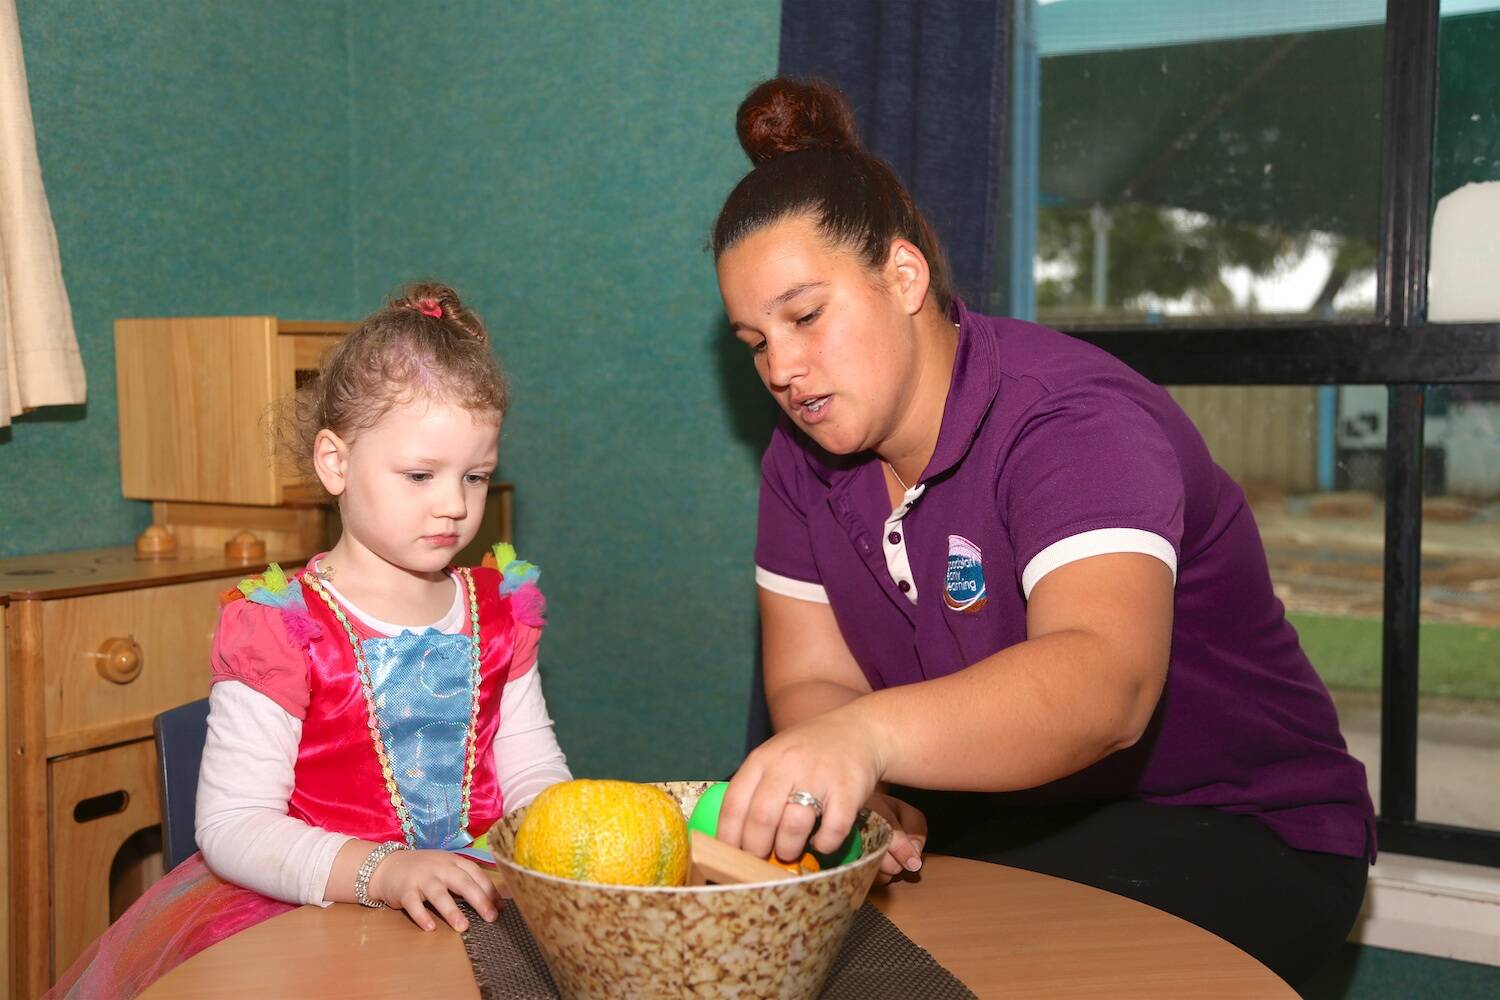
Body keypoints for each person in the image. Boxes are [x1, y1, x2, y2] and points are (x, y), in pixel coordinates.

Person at [710, 78, 1373, 988]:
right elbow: (812, 675)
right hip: (1013, 817)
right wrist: (872, 787)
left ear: (904, 277)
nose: (782, 367)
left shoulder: (1071, 421)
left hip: (1240, 822)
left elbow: (1105, 681)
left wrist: (867, 740)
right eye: (754, 341)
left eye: (806, 315)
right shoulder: (802, 459)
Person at [49, 283, 571, 999]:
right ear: (335, 463)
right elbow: (233, 826)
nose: (454, 504)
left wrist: (568, 840)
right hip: (314, 901)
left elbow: (532, 774)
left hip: (469, 900)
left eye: (475, 476)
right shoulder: (281, 625)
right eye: (420, 475)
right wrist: (380, 871)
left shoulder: (501, 611)